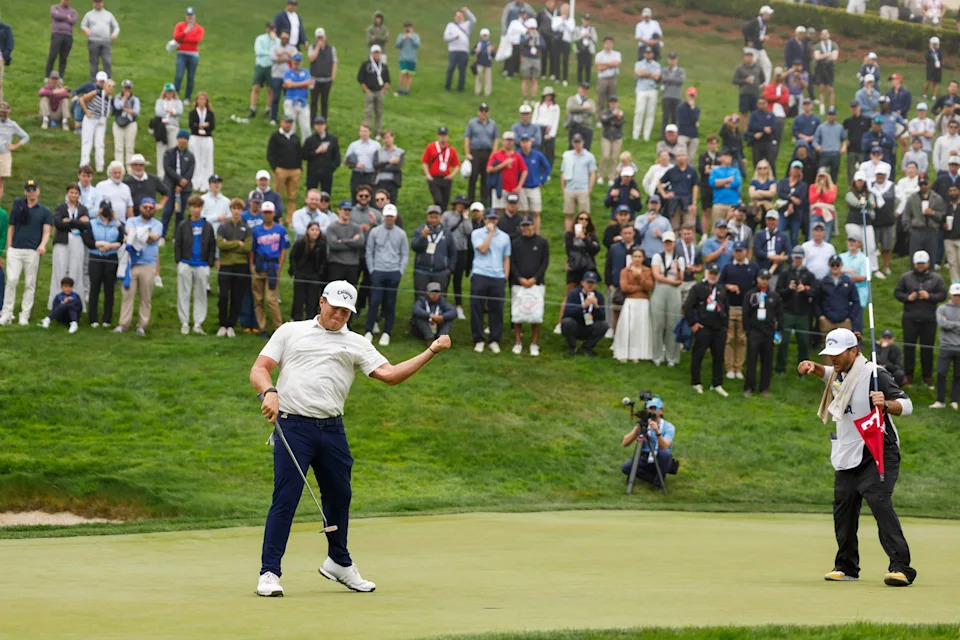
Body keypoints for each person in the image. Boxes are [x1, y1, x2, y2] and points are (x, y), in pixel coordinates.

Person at [250, 280, 451, 598]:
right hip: (293, 427)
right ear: (321, 302)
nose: (339, 315)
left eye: (346, 311)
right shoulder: (290, 331)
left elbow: (390, 375)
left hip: (332, 430)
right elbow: (260, 368)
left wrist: (431, 351)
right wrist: (269, 391)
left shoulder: (357, 342)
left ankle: (338, 562)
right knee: (285, 500)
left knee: (340, 497)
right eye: (335, 307)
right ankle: (269, 572)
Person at [798, 327, 917, 587]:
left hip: (877, 449)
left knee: (878, 502)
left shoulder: (875, 374)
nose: (832, 359)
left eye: (837, 354)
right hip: (848, 450)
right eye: (829, 354)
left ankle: (901, 568)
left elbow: (907, 405)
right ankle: (846, 566)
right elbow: (829, 375)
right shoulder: (839, 374)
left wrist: (885, 404)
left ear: (854, 351)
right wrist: (813, 366)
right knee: (843, 509)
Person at [1, 181, 52, 327]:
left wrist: (42, 245)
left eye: (33, 189)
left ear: (38, 190)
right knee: (12, 280)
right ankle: (7, 313)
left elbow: (47, 231)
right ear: (25, 191)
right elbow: (11, 227)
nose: (31, 192)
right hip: (16, 250)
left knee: (30, 283)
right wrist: (9, 246)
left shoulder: (44, 211)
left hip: (32, 251)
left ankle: (25, 315)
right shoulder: (18, 207)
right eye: (28, 189)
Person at [894, 250, 947, 387]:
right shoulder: (906, 277)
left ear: (928, 263)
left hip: (929, 319)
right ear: (914, 264)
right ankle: (908, 375)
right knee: (909, 348)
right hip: (910, 318)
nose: (921, 266)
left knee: (927, 348)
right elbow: (897, 292)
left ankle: (927, 376)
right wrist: (907, 297)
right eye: (918, 263)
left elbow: (943, 294)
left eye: (923, 263)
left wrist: (930, 296)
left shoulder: (936, 278)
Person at [114, 198, 161, 335]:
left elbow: (154, 237)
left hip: (148, 264)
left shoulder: (157, 224)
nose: (147, 209)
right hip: (131, 264)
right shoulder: (131, 220)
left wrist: (137, 235)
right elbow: (129, 233)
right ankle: (123, 324)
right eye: (145, 206)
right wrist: (143, 234)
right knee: (127, 295)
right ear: (140, 207)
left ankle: (142, 325)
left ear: (154, 209)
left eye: (150, 207)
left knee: (146, 297)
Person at [362, 204, 407, 346]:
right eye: (387, 216)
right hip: (378, 271)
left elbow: (405, 254)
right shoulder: (375, 232)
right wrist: (372, 270)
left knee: (390, 303)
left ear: (395, 217)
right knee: (374, 301)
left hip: (393, 272)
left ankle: (387, 332)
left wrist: (400, 271)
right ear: (383, 216)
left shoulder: (401, 234)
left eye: (391, 216)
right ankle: (369, 330)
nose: (389, 219)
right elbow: (369, 251)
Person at [470, 209, 511, 353]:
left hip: (497, 276)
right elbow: (482, 249)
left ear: (497, 220)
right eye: (489, 219)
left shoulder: (505, 237)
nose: (491, 221)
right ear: (484, 219)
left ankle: (494, 339)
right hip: (480, 273)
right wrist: (491, 234)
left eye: (494, 219)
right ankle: (479, 339)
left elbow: (506, 257)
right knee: (477, 307)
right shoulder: (477, 234)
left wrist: (505, 275)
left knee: (497, 309)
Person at [174, 195, 215, 335]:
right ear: (190, 208)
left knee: (201, 294)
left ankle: (198, 323)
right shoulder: (183, 225)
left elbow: (212, 245)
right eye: (193, 207)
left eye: (198, 207)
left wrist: (209, 263)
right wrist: (179, 260)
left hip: (202, 264)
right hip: (186, 262)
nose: (196, 210)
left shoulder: (207, 226)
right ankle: (184, 322)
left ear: (202, 208)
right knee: (183, 293)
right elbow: (178, 243)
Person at [510, 215, 549, 356]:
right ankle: (518, 342)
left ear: (533, 226)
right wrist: (520, 278)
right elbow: (512, 262)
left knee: (536, 314)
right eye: (523, 225)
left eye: (528, 225)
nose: (526, 228)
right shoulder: (515, 243)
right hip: (518, 283)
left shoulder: (542, 242)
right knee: (517, 314)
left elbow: (545, 262)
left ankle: (534, 343)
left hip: (536, 284)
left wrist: (535, 278)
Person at [775, 246, 817, 376]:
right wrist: (789, 289)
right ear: (792, 257)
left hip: (803, 314)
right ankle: (780, 368)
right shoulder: (785, 273)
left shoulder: (809, 275)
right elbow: (778, 292)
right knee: (784, 341)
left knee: (804, 343)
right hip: (788, 312)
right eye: (796, 257)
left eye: (800, 257)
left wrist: (804, 290)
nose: (797, 259)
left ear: (803, 258)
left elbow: (814, 292)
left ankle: (803, 371)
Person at [719, 241, 758, 380]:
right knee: (729, 339)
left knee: (741, 339)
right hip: (730, 308)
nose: (738, 253)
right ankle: (729, 368)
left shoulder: (752, 267)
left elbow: (758, 285)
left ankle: (738, 368)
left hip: (746, 309)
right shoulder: (728, 267)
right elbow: (720, 284)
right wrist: (728, 287)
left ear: (746, 251)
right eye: (736, 251)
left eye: (740, 250)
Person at [48, 183, 89, 313]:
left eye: (76, 193)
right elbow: (58, 223)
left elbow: (86, 226)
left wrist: (70, 222)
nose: (73, 195)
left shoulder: (83, 208)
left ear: (79, 195)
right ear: (67, 193)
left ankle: (77, 303)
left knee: (76, 270)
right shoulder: (60, 207)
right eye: (71, 192)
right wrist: (77, 222)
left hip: (78, 241)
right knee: (59, 269)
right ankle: (55, 302)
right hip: (62, 241)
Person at [619, 395, 676, 488]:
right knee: (626, 467)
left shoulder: (669, 427)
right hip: (645, 457)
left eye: (654, 408)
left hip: (661, 458)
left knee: (665, 453)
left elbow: (665, 446)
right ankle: (654, 479)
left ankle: (658, 484)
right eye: (650, 408)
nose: (652, 411)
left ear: (661, 411)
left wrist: (657, 432)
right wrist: (637, 430)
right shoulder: (644, 423)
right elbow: (625, 443)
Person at [82, 196, 122, 328]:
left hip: (111, 258)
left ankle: (107, 319)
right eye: (104, 209)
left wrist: (116, 220)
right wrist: (99, 244)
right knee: (95, 288)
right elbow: (88, 241)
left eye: (108, 209)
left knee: (109, 289)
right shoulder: (92, 223)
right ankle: (93, 319)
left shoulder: (116, 224)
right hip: (96, 257)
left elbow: (122, 238)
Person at [251, 201, 289, 336]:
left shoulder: (280, 229)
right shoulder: (256, 230)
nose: (267, 215)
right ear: (262, 214)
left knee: (271, 299)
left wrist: (280, 266)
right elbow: (252, 250)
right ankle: (262, 328)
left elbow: (284, 249)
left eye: (269, 212)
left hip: (273, 266)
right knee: (258, 299)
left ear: (273, 213)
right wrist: (252, 266)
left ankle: (279, 328)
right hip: (260, 265)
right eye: (265, 213)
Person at [742, 269, 782, 396]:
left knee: (767, 361)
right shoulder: (750, 295)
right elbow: (745, 314)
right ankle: (749, 387)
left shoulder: (774, 296)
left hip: (768, 333)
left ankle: (764, 388)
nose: (764, 281)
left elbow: (780, 314)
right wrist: (748, 330)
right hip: (754, 332)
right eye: (762, 278)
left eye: (766, 279)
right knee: (751, 360)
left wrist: (779, 330)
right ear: (757, 279)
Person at [216, 198, 252, 338]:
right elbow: (220, 245)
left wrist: (229, 243)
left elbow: (248, 247)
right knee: (223, 295)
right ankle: (222, 323)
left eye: (239, 209)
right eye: (234, 208)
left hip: (241, 266)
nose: (236, 211)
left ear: (242, 211)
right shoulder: (223, 226)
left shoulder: (246, 228)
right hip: (225, 266)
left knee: (237, 297)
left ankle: (231, 324)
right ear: (230, 210)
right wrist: (238, 243)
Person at [611, 245, 653, 362]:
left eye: (639, 256)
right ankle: (624, 352)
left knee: (641, 328)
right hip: (630, 301)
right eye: (635, 256)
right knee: (628, 326)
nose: (637, 259)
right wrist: (640, 287)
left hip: (643, 302)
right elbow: (624, 287)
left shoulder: (647, 271)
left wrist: (641, 279)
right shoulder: (625, 271)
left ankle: (638, 353)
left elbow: (649, 287)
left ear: (643, 258)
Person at [649, 231, 684, 367]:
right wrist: (672, 281)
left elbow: (680, 279)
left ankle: (672, 357)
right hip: (660, 289)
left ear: (674, 243)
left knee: (672, 324)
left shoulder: (679, 258)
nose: (668, 245)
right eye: (666, 242)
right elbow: (656, 275)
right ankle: (656, 355)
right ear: (663, 243)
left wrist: (678, 270)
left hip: (674, 291)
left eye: (670, 242)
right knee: (657, 324)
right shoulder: (657, 256)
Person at [412, 204, 457, 300]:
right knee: (421, 297)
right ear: (427, 217)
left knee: (440, 298)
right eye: (431, 217)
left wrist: (450, 269)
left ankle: (438, 314)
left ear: (440, 218)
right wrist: (422, 237)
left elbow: (453, 252)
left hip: (440, 272)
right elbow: (414, 247)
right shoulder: (419, 230)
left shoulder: (446, 233)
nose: (433, 220)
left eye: (436, 217)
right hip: (422, 270)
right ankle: (420, 314)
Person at [441, 197, 475, 318]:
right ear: (455, 205)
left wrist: (465, 218)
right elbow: (443, 229)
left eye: (463, 205)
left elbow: (468, 231)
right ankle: (442, 304)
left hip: (462, 251)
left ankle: (459, 306)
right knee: (445, 278)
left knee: (458, 280)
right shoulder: (446, 215)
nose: (460, 207)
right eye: (459, 204)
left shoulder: (466, 218)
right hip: (448, 250)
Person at [561, 270, 607, 356]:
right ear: (582, 282)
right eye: (588, 282)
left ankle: (587, 347)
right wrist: (583, 307)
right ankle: (572, 346)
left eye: (592, 283)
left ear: (596, 284)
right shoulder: (574, 294)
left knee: (604, 325)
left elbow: (602, 317)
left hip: (590, 326)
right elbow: (567, 313)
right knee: (567, 322)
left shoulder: (599, 296)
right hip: (576, 324)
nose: (590, 285)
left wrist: (596, 306)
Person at [901, 174, 945, 261]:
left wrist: (932, 213)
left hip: (931, 231)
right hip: (916, 231)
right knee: (915, 259)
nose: (923, 186)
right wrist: (909, 229)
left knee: (931, 258)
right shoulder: (912, 198)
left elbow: (942, 215)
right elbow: (906, 215)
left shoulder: (937, 198)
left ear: (929, 183)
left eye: (925, 184)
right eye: (921, 184)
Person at [160, 130, 195, 239]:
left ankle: (177, 236)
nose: (183, 140)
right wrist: (179, 180)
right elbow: (168, 168)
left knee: (180, 213)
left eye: (185, 138)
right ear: (177, 139)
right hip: (170, 188)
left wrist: (182, 183)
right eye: (181, 138)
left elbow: (190, 171)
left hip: (184, 189)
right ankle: (161, 235)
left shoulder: (190, 156)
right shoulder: (169, 153)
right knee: (167, 212)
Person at [817, 254, 862, 336]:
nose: (835, 267)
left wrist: (850, 317)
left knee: (845, 347)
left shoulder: (848, 282)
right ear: (829, 265)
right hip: (827, 321)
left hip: (844, 322)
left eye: (837, 265)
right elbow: (817, 301)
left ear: (841, 265)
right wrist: (820, 316)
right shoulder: (822, 282)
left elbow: (856, 301)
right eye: (832, 265)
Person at [931, 282, 960, 408]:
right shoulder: (942, 308)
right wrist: (957, 324)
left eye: (959, 295)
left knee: (958, 375)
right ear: (950, 294)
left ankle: (954, 400)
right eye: (955, 295)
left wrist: (950, 323)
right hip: (945, 346)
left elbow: (947, 324)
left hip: (959, 347)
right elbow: (942, 324)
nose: (957, 297)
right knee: (941, 373)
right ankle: (940, 401)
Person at [267, 116, 302, 218]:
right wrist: (275, 168)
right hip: (281, 169)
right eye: (286, 122)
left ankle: (290, 219)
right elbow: (270, 154)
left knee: (292, 196)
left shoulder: (295, 136)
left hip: (294, 170)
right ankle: (278, 218)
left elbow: (299, 153)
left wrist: (299, 168)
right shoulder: (275, 136)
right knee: (278, 195)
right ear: (282, 122)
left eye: (290, 123)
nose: (288, 125)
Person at [325, 200, 364, 288]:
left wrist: (342, 241)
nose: (347, 212)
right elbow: (334, 244)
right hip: (336, 264)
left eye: (349, 210)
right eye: (344, 210)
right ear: (339, 210)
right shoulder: (332, 227)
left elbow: (360, 242)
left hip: (352, 265)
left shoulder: (356, 227)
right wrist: (352, 241)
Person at [78, 78, 114, 173]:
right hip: (90, 119)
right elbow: (82, 99)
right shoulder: (96, 92)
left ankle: (100, 165)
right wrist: (86, 112)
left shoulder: (110, 99)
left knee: (100, 143)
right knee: (87, 141)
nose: (111, 88)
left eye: (113, 87)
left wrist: (106, 116)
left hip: (101, 121)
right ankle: (84, 163)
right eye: (109, 86)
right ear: (105, 86)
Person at [658, 150, 699, 232]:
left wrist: (694, 203)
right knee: (675, 227)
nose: (680, 158)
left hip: (688, 203)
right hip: (674, 203)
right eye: (678, 156)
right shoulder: (672, 171)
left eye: (682, 155)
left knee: (689, 226)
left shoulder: (692, 171)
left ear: (687, 157)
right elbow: (659, 182)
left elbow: (695, 187)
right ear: (676, 158)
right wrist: (664, 195)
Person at [422, 127, 460, 212]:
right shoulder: (431, 147)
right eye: (441, 135)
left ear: (447, 136)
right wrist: (428, 175)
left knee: (445, 201)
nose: (443, 137)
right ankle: (436, 215)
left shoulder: (451, 150)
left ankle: (443, 218)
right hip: (434, 178)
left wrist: (451, 175)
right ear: (438, 136)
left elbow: (457, 165)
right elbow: (425, 162)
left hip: (446, 178)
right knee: (438, 199)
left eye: (444, 135)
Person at [517, 134, 550, 233]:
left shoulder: (537, 155)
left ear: (531, 143)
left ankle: (537, 234)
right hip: (522, 187)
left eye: (527, 142)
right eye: (523, 142)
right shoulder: (518, 155)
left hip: (534, 187)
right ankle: (525, 233)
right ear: (520, 144)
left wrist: (542, 180)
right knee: (524, 212)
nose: (525, 144)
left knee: (535, 212)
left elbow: (547, 167)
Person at [171, 7, 204, 102]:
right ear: (185, 16)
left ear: (194, 16)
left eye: (191, 15)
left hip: (193, 54)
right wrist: (185, 32)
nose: (190, 17)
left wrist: (183, 38)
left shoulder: (199, 28)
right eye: (188, 15)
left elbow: (196, 40)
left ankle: (187, 97)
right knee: (179, 76)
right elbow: (176, 37)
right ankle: (175, 96)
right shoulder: (180, 26)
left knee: (190, 77)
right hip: (181, 53)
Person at [80, 0, 118, 81]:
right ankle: (94, 81)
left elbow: (116, 26)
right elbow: (83, 25)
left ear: (102, 3)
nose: (98, 4)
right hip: (93, 41)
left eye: (99, 2)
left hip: (106, 41)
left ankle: (108, 80)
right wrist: (86, 29)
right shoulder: (89, 14)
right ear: (93, 3)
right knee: (94, 62)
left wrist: (114, 34)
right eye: (96, 2)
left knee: (107, 61)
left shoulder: (108, 14)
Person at [358, 45, 390, 138]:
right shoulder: (366, 64)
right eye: (375, 52)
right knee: (368, 112)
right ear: (371, 53)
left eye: (378, 53)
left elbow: (387, 80)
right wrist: (366, 89)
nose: (377, 55)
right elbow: (361, 78)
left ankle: (378, 131)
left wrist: (384, 90)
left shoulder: (383, 66)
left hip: (379, 91)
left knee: (379, 112)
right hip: (369, 91)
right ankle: (366, 130)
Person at [302, 117, 340, 194]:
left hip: (327, 172)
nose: (320, 126)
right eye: (317, 124)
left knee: (326, 194)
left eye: (321, 124)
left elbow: (337, 156)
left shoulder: (332, 139)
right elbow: (304, 155)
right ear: (315, 126)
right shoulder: (310, 140)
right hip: (313, 172)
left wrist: (331, 168)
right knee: (311, 192)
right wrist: (316, 152)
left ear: (325, 125)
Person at [0, 103, 29, 204]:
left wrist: (15, 145)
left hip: (5, 155)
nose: (3, 114)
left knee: (0, 182)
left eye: (5, 113)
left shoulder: (12, 125)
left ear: (9, 112)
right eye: (1, 112)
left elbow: (25, 136)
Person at [411, 281, 456, 345]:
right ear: (427, 292)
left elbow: (453, 311)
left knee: (449, 319)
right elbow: (416, 309)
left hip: (438, 324)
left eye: (437, 292)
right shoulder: (422, 300)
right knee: (419, 317)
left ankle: (441, 338)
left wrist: (442, 317)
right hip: (424, 328)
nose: (434, 294)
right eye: (432, 292)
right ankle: (429, 338)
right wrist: (430, 316)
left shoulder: (442, 300)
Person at [249, 23, 279, 120]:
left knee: (270, 89)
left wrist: (272, 52)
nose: (271, 30)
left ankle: (268, 110)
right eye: (269, 28)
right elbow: (259, 52)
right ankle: (252, 109)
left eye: (273, 28)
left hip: (272, 66)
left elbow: (278, 52)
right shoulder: (260, 38)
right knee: (256, 87)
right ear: (267, 29)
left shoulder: (277, 41)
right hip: (261, 65)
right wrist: (271, 53)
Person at [154, 83, 184, 178]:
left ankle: (172, 173)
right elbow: (158, 112)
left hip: (173, 127)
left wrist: (173, 111)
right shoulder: (159, 101)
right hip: (162, 128)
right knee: (161, 150)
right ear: (164, 92)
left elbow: (180, 111)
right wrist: (169, 111)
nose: (169, 93)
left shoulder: (177, 102)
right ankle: (161, 173)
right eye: (167, 92)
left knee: (173, 150)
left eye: (171, 92)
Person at [307, 27, 337, 123]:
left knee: (324, 102)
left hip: (326, 79)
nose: (320, 39)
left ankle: (324, 121)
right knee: (314, 102)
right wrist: (318, 47)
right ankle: (312, 121)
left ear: (325, 37)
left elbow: (334, 63)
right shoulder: (312, 47)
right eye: (318, 37)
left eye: (322, 37)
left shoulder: (331, 49)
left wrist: (333, 77)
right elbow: (311, 58)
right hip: (314, 79)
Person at [632, 46, 660, 142]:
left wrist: (646, 74)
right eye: (647, 53)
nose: (648, 54)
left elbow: (657, 77)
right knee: (639, 112)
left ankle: (646, 135)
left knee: (650, 113)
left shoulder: (656, 65)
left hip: (652, 90)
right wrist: (650, 74)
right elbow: (638, 73)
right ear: (644, 54)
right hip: (641, 89)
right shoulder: (638, 64)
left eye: (650, 53)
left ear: (652, 54)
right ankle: (635, 134)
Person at [268, 31, 296, 125]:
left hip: (288, 77)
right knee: (275, 97)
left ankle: (287, 118)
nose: (284, 40)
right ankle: (273, 118)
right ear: (280, 38)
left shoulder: (292, 48)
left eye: (286, 38)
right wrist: (286, 58)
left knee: (287, 99)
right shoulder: (275, 47)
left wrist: (284, 54)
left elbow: (296, 58)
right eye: (283, 38)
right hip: (276, 75)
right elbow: (273, 58)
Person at [48, 0, 78, 80]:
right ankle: (48, 76)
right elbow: (55, 15)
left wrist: (61, 16)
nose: (66, 1)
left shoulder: (73, 11)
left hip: (68, 36)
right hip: (57, 34)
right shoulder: (55, 7)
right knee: (52, 55)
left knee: (64, 57)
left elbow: (74, 21)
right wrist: (67, 17)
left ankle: (60, 77)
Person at [843, 101, 872, 184]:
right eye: (853, 107)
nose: (854, 109)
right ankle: (852, 187)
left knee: (864, 170)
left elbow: (872, 131)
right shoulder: (848, 121)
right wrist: (845, 142)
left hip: (863, 149)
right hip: (851, 149)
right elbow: (842, 132)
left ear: (859, 107)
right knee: (851, 171)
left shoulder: (866, 120)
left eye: (856, 107)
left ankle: (865, 186)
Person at [839, 235, 869, 313]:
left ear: (859, 243)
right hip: (842, 294)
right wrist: (847, 272)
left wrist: (844, 277)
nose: (851, 243)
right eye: (849, 241)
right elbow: (833, 273)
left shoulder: (864, 259)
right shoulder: (841, 257)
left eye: (853, 241)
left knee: (856, 321)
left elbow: (862, 277)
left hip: (859, 294)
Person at [747, 96, 777, 172]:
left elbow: (773, 127)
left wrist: (765, 131)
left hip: (768, 141)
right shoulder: (754, 115)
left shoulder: (771, 115)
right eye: (759, 103)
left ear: (766, 104)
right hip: (757, 142)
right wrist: (763, 129)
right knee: (757, 162)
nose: (761, 105)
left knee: (771, 162)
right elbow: (752, 126)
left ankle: (772, 180)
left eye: (763, 103)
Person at [733, 48, 764, 117]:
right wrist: (744, 80)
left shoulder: (758, 67)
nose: (749, 59)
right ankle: (745, 128)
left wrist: (756, 83)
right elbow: (734, 80)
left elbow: (762, 79)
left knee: (755, 112)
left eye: (750, 57)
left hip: (755, 93)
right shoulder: (740, 68)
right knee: (744, 112)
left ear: (753, 58)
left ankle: (753, 126)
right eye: (747, 57)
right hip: (744, 93)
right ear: (744, 58)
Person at [565, 82, 595, 149]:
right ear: (579, 89)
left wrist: (577, 109)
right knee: (572, 149)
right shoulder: (572, 99)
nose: (584, 90)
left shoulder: (590, 101)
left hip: (586, 127)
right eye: (583, 88)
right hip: (574, 127)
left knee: (586, 149)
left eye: (586, 89)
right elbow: (570, 108)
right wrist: (584, 108)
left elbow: (591, 110)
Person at [396, 21, 422, 96]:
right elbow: (397, 45)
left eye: (409, 27)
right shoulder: (401, 35)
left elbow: (417, 45)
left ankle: (407, 90)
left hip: (412, 58)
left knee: (409, 75)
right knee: (402, 73)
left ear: (412, 28)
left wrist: (411, 38)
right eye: (406, 27)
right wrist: (403, 39)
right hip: (403, 58)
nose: (408, 28)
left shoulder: (416, 36)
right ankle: (400, 89)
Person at [571, 11, 595, 86]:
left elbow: (595, 40)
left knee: (588, 66)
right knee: (580, 66)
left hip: (588, 50)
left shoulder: (592, 29)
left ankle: (587, 81)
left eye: (588, 20)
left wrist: (590, 36)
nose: (586, 22)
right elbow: (574, 39)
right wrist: (582, 36)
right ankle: (579, 81)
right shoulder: (578, 29)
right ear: (582, 20)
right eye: (585, 20)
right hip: (580, 49)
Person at [473, 28, 493, 97]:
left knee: (488, 79)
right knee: (479, 78)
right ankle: (477, 91)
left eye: (486, 35)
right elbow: (472, 52)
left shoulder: (490, 44)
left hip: (488, 64)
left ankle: (487, 92)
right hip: (480, 63)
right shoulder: (478, 44)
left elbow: (494, 55)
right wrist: (475, 50)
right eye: (483, 35)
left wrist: (492, 51)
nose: (485, 37)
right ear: (481, 36)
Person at [925, 36, 943, 101]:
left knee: (936, 82)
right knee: (928, 81)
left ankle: (934, 95)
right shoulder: (929, 52)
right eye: (934, 44)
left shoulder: (939, 52)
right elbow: (927, 57)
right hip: (930, 69)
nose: (935, 46)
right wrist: (931, 49)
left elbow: (941, 58)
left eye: (936, 44)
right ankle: (925, 93)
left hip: (937, 69)